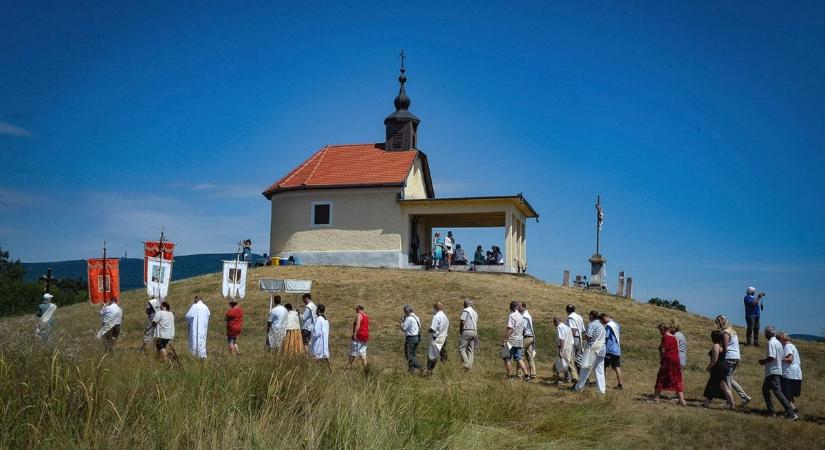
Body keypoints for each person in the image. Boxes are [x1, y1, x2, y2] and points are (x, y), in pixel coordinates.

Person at [758, 326, 797, 420]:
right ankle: (771, 412)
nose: (764, 334)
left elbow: (772, 357)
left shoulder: (771, 342)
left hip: (773, 371)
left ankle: (791, 412)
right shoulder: (778, 343)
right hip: (775, 371)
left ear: (768, 333)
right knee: (765, 390)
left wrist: (763, 361)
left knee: (777, 392)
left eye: (765, 332)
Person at [716, 315, 752, 407]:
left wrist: (718, 350)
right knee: (729, 378)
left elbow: (725, 347)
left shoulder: (726, 333)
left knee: (727, 379)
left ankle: (729, 402)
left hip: (729, 357)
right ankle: (744, 397)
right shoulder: (733, 331)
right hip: (736, 356)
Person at [652, 320, 686, 405]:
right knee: (677, 379)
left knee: (660, 377)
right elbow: (677, 350)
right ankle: (682, 400)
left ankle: (656, 398)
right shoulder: (675, 338)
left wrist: (661, 360)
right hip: (676, 360)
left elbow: (663, 350)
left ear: (664, 329)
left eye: (660, 330)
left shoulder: (665, 337)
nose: (660, 332)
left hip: (667, 360)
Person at [575, 310, 606, 394]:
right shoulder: (601, 326)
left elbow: (588, 335)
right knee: (600, 371)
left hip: (593, 349)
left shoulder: (592, 324)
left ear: (592, 316)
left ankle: (578, 387)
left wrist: (582, 338)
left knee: (585, 369)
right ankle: (601, 390)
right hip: (602, 349)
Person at [702, 330, 734, 409]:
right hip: (723, 367)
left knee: (715, 385)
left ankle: (732, 405)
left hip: (718, 368)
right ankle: (732, 405)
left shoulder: (716, 346)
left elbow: (715, 360)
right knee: (721, 386)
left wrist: (709, 367)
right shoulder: (721, 345)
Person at [502, 301, 530, 380]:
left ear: (511, 308)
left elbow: (510, 329)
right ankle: (526, 375)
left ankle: (510, 376)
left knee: (506, 357)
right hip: (519, 340)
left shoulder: (512, 316)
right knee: (519, 359)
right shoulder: (521, 316)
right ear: (517, 307)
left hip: (511, 340)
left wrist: (505, 340)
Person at [777, 332, 802, 416]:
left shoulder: (787, 346)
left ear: (781, 339)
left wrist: (779, 358)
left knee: (785, 394)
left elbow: (790, 359)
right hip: (795, 373)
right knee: (789, 394)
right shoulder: (792, 345)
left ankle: (793, 411)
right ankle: (791, 410)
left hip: (790, 373)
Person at [601, 313, 624, 389]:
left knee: (603, 366)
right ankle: (620, 384)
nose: (602, 322)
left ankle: (602, 383)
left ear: (605, 318)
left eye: (602, 320)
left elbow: (605, 336)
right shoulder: (616, 324)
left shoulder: (608, 326)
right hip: (617, 349)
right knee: (617, 367)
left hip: (609, 349)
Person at [425, 302, 449, 375]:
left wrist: (428, 331)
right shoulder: (445, 317)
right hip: (444, 338)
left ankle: (429, 372)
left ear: (435, 308)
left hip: (436, 338)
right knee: (443, 356)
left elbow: (432, 329)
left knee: (432, 356)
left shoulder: (436, 316)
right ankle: (446, 371)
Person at [553, 316, 578, 383]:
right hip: (570, 347)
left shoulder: (560, 327)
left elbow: (562, 340)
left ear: (556, 321)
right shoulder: (566, 327)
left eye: (554, 322)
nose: (553, 324)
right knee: (568, 365)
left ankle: (575, 380)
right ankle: (565, 379)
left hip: (565, 348)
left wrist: (561, 351)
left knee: (568, 366)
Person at [346, 304, 370, 371]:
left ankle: (348, 366)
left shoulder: (359, 315)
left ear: (359, 308)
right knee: (362, 353)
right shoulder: (366, 316)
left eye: (356, 308)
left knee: (352, 352)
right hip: (365, 336)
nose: (355, 309)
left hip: (359, 335)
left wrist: (354, 334)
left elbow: (358, 325)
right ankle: (366, 370)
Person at [400, 304, 422, 373]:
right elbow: (420, 326)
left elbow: (404, 328)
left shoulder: (409, 318)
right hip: (417, 337)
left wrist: (402, 322)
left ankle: (421, 367)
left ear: (406, 311)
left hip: (410, 338)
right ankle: (411, 370)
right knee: (413, 354)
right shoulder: (416, 317)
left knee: (408, 355)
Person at [458, 298, 478, 370]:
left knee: (461, 348)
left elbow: (462, 321)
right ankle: (470, 366)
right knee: (470, 350)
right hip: (474, 331)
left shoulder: (466, 311)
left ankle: (466, 364)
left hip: (467, 331)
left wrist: (460, 330)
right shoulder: (475, 312)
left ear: (465, 304)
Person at [519, 302, 537, 379]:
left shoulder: (524, 316)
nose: (518, 308)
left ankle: (519, 374)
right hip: (530, 337)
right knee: (529, 355)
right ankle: (533, 373)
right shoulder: (526, 315)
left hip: (526, 337)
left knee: (519, 355)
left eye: (519, 307)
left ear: (523, 307)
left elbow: (523, 328)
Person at [566, 305, 586, 372]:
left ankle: (573, 377)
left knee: (570, 357)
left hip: (573, 338)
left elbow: (573, 329)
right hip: (579, 338)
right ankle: (583, 376)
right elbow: (583, 330)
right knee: (579, 358)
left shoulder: (571, 317)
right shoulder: (579, 317)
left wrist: (569, 340)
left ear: (567, 310)